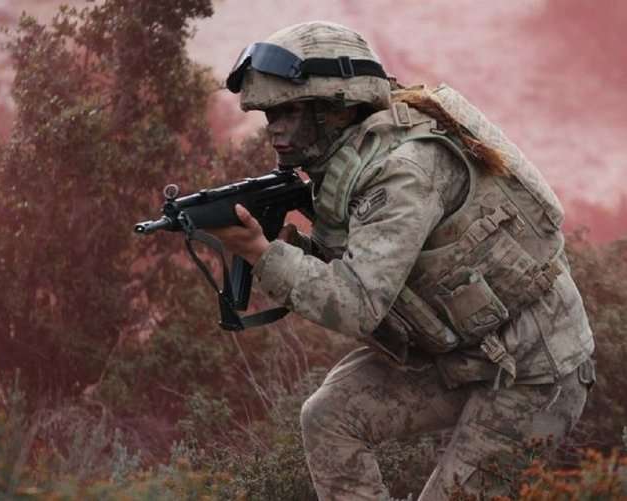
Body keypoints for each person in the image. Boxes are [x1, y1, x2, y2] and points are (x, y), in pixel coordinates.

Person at [211, 21, 595, 500]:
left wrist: (262, 254)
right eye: (270, 114)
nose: (275, 129)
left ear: (337, 106)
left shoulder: (404, 171)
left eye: (288, 111)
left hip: (532, 370)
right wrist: (298, 252)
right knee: (329, 419)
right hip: (456, 352)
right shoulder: (351, 159)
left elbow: (356, 305)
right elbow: (378, 260)